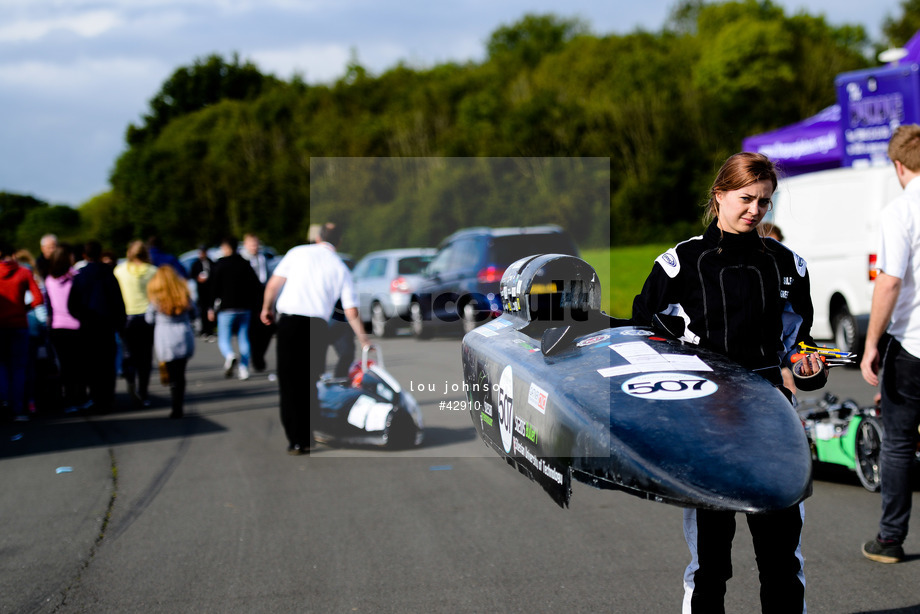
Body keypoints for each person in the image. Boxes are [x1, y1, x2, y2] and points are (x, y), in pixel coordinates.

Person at [632, 152, 827, 613]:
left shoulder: (788, 264)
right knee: (710, 564)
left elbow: (802, 341)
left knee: (781, 559)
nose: (755, 211)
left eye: (764, 202)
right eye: (745, 199)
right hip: (704, 426)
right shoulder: (680, 262)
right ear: (718, 195)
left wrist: (808, 365)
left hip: (771, 421)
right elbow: (642, 336)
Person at [860, 124, 920, 564]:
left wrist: (871, 344)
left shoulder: (901, 212)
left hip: (913, 343)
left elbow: (890, 282)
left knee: (899, 443)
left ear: (899, 165)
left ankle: (890, 539)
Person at [261, 222, 369, 455]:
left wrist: (266, 308)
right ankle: (308, 436)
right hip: (317, 327)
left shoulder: (297, 253)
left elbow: (273, 285)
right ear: (338, 242)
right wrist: (364, 339)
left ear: (319, 238)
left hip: (290, 323)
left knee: (289, 383)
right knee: (309, 382)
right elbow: (351, 310)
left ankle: (295, 440)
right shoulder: (340, 266)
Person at [68, 240, 126, 413]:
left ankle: (95, 397)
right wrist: (119, 324)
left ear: (84, 256)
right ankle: (107, 397)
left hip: (88, 328)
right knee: (108, 364)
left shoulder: (80, 276)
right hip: (107, 327)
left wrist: (83, 318)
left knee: (92, 364)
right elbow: (118, 302)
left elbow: (72, 305)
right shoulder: (109, 274)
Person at [0, 240, 44, 421]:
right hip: (19, 324)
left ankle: (4, 404)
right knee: (19, 368)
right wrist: (24, 308)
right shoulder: (23, 271)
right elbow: (38, 298)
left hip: (0, 325)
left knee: (1, 367)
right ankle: (18, 409)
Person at [146, 266, 196, 419]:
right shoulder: (185, 296)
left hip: (165, 337)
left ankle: (175, 405)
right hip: (183, 334)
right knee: (181, 373)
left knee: (172, 373)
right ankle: (178, 403)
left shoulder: (156, 300)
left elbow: (149, 319)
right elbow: (195, 313)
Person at [208, 236, 261, 381]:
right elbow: (256, 286)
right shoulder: (244, 263)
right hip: (245, 307)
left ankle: (230, 355)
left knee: (224, 338)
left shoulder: (219, 264)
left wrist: (210, 308)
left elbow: (213, 288)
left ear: (225, 247)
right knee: (244, 338)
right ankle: (244, 368)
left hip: (226, 308)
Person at [45, 243, 89, 412]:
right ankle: (81, 397)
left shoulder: (49, 280)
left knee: (65, 366)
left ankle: (69, 399)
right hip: (76, 326)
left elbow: (49, 306)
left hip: (57, 327)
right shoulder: (75, 277)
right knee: (79, 365)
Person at [114, 240, 157, 407]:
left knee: (129, 353)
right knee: (145, 357)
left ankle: (130, 377)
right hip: (147, 317)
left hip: (127, 317)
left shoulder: (120, 270)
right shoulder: (152, 271)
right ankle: (143, 392)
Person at [243, 233, 273, 371]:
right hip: (248, 298)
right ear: (245, 245)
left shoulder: (263, 258)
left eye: (256, 244)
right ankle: (255, 357)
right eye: (251, 244)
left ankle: (259, 355)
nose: (254, 247)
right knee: (252, 330)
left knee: (267, 329)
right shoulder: (243, 260)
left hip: (262, 296)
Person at [188, 245, 215, 339]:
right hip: (201, 290)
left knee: (211, 309)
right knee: (202, 310)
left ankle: (210, 329)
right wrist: (198, 278)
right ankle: (204, 330)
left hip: (210, 290)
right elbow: (192, 275)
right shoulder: (196, 264)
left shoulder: (211, 262)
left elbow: (215, 273)